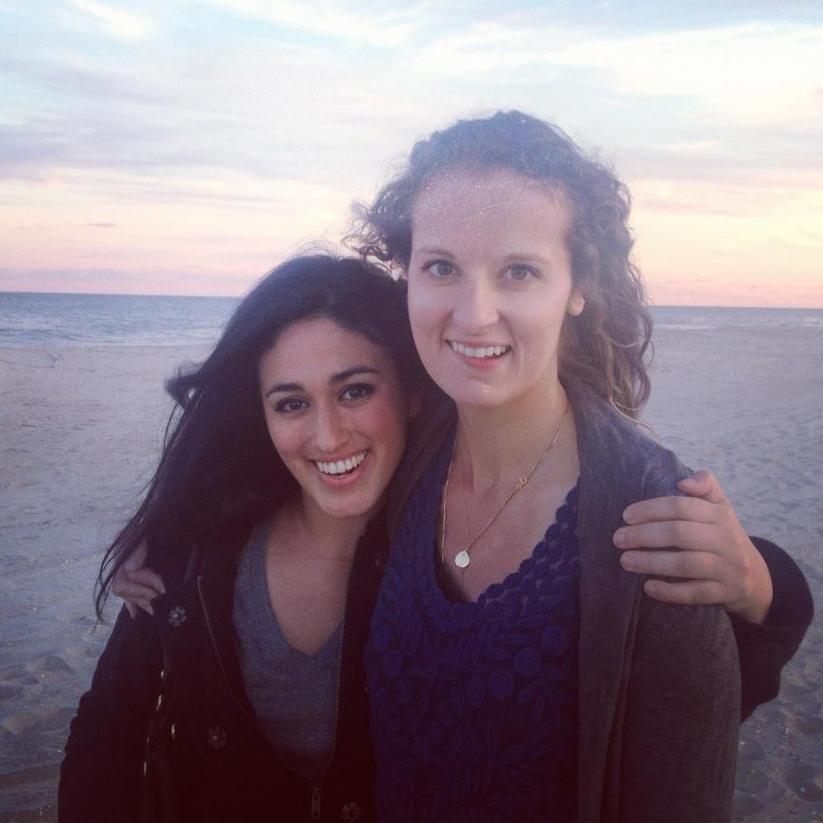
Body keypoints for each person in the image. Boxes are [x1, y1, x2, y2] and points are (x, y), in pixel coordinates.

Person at [346, 110, 813, 822]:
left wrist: (761, 585)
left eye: (518, 272)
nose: (474, 314)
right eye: (442, 266)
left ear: (576, 286)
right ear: (406, 274)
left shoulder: (648, 527)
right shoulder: (404, 457)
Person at [59, 255, 426, 822]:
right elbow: (111, 721)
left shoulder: (463, 549)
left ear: (413, 392)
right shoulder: (193, 549)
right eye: (292, 404)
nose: (327, 436)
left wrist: (614, 505)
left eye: (355, 391)